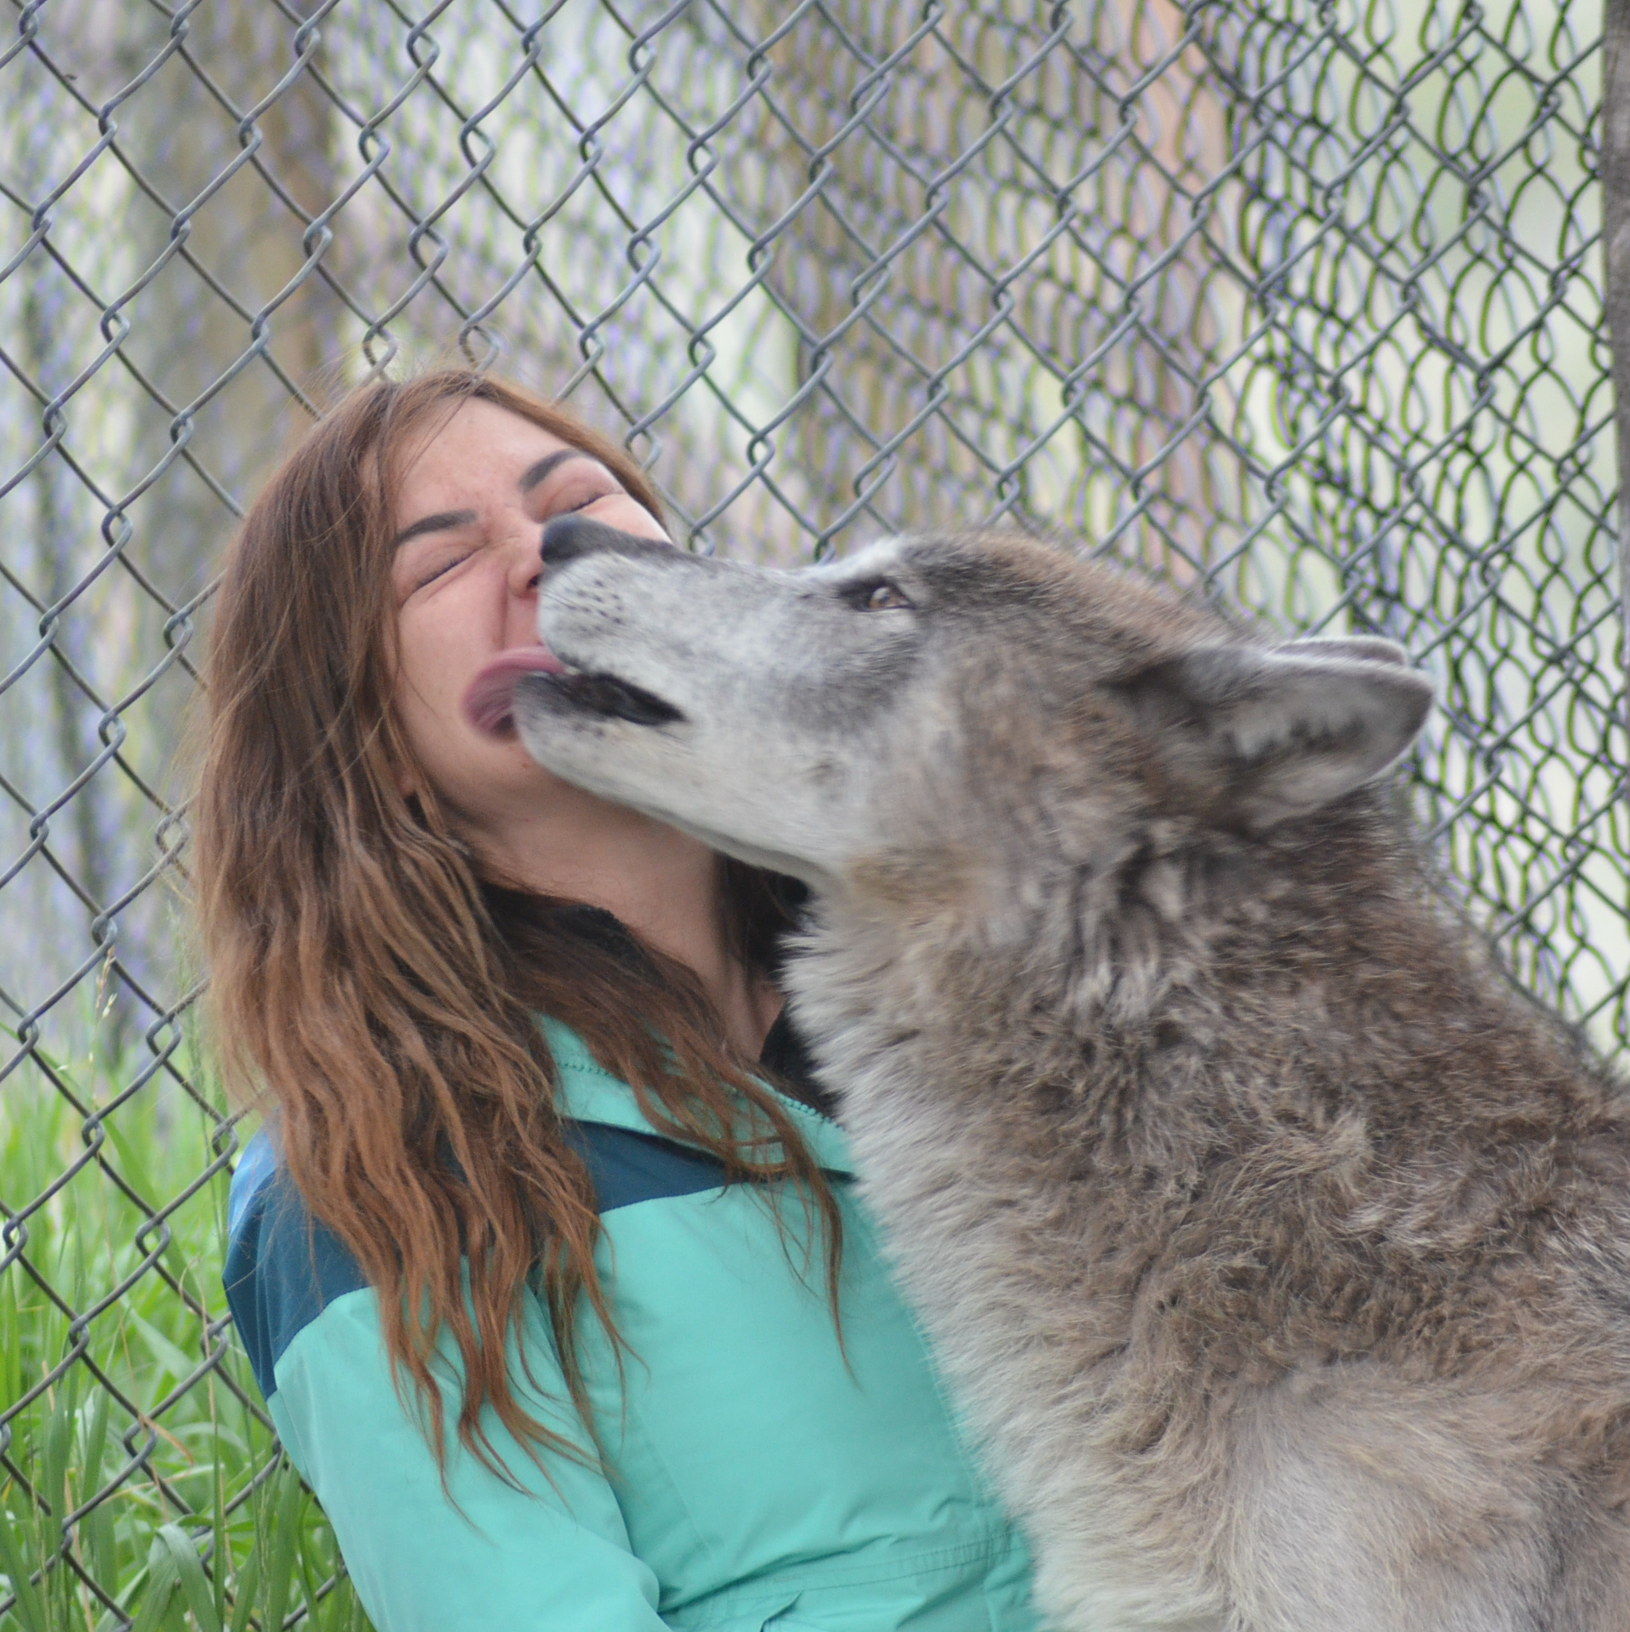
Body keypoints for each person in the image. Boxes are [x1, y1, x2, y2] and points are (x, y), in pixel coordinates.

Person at [199, 369, 1040, 1631]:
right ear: (369, 751)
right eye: (437, 568)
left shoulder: (1008, 968)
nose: (547, 554)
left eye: (580, 500)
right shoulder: (369, 1172)